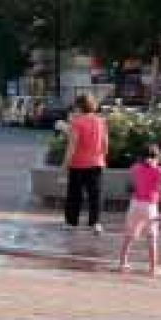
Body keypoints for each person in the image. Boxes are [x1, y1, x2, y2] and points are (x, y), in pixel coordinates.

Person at [119, 144, 161, 276]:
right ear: (158, 156)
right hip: (150, 206)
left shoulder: (135, 168)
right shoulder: (159, 171)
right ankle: (153, 268)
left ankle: (123, 263)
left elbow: (130, 186)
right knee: (151, 237)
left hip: (135, 204)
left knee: (129, 235)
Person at [61, 94, 108, 234]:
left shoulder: (77, 122)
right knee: (95, 195)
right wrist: (102, 157)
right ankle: (95, 223)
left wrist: (65, 164)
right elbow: (105, 144)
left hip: (78, 164)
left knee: (74, 194)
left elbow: (72, 146)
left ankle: (71, 222)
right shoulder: (101, 121)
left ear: (79, 106)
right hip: (96, 163)